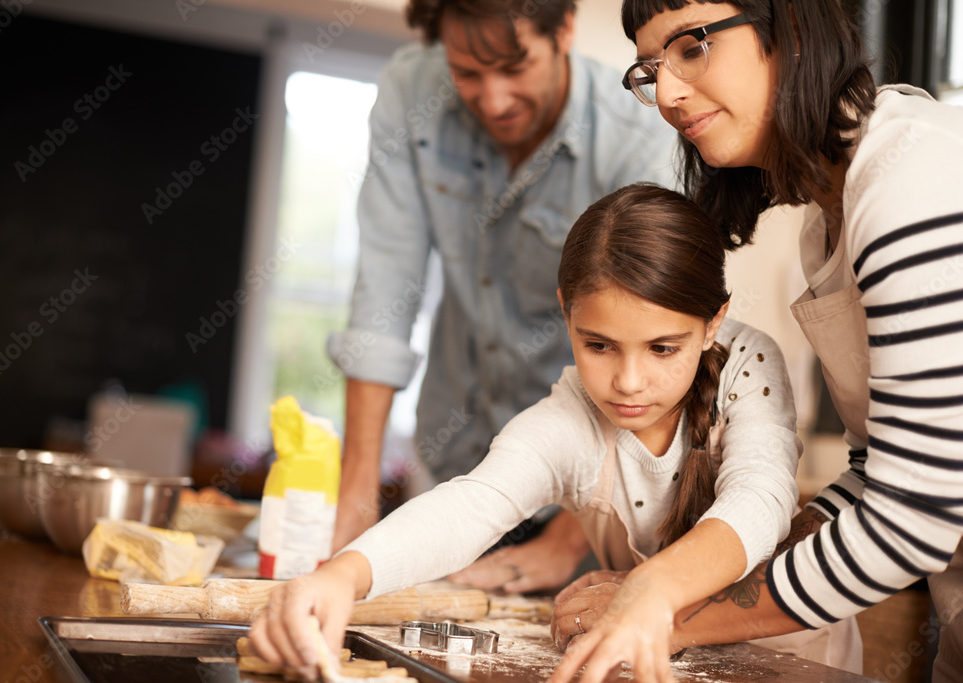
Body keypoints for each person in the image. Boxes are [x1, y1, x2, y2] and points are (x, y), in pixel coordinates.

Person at [249, 182, 859, 680]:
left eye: (663, 348)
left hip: (791, 657)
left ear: (713, 322)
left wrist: (647, 588)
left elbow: (760, 500)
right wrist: (341, 576)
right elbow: (473, 505)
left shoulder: (749, 367)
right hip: (661, 652)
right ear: (567, 310)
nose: (628, 381)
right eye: (598, 345)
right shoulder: (571, 419)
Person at [550, 2, 963, 682]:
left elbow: (912, 513)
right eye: (652, 69)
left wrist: (669, 611)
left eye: (692, 46)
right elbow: (877, 475)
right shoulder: (827, 224)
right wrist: (677, 579)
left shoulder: (911, 179)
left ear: (789, 23)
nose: (671, 95)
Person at [327, 0, 678, 593]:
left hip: (589, 490)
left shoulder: (640, 136)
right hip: (452, 467)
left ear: (563, 28)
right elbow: (385, 287)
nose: (493, 99)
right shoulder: (412, 90)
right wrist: (355, 501)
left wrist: (567, 542)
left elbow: (650, 351)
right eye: (466, 72)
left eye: (515, 68)